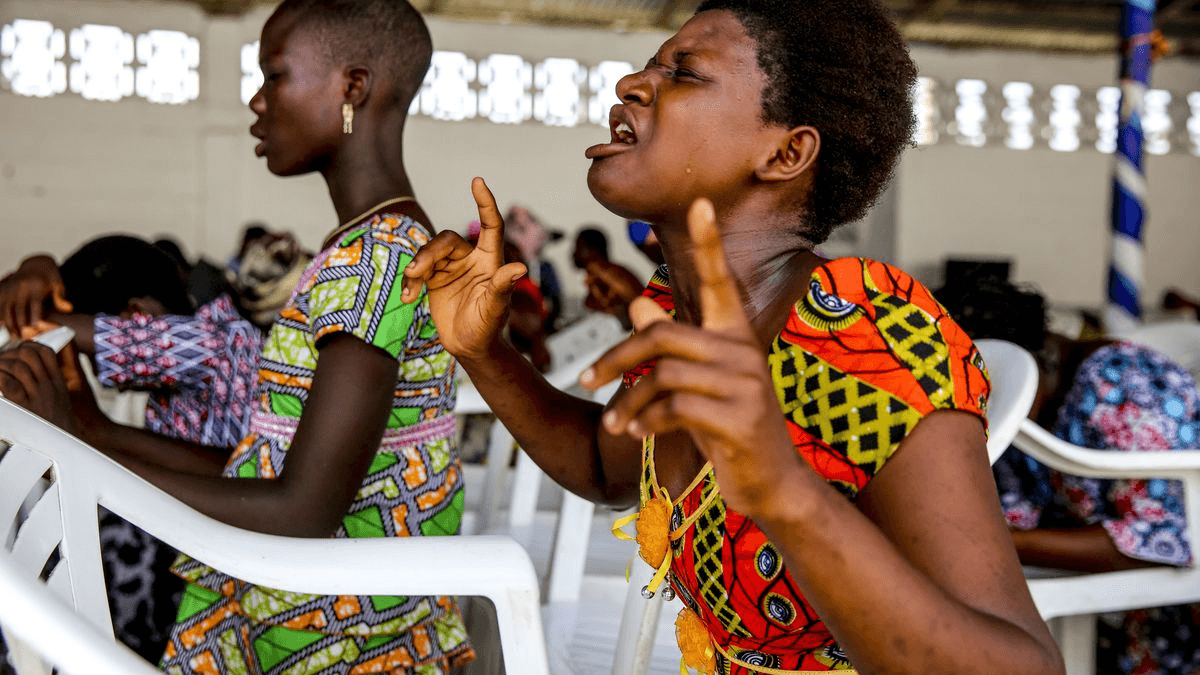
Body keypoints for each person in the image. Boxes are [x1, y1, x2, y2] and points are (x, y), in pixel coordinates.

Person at [401, 0, 1063, 672]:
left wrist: (779, 485)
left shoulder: (866, 332)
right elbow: (608, 467)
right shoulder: (675, 311)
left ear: (786, 151)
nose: (631, 84)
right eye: (651, 66)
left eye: (683, 74)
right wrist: (486, 353)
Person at [0, 1, 474, 673]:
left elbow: (302, 509)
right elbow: (266, 464)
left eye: (274, 75)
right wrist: (94, 433)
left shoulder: (380, 258)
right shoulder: (364, 247)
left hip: (335, 641)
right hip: (303, 612)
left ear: (353, 87)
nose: (255, 102)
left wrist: (86, 449)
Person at [0, 234, 263, 660]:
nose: (108, 375)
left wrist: (35, 278)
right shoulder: (178, 385)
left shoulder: (216, 341)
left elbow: (77, 330)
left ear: (134, 315)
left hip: (241, 550)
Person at [938, 275, 1200, 674]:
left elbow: (1165, 540)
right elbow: (1004, 514)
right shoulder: (1021, 410)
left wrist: (1000, 543)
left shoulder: (1120, 384)